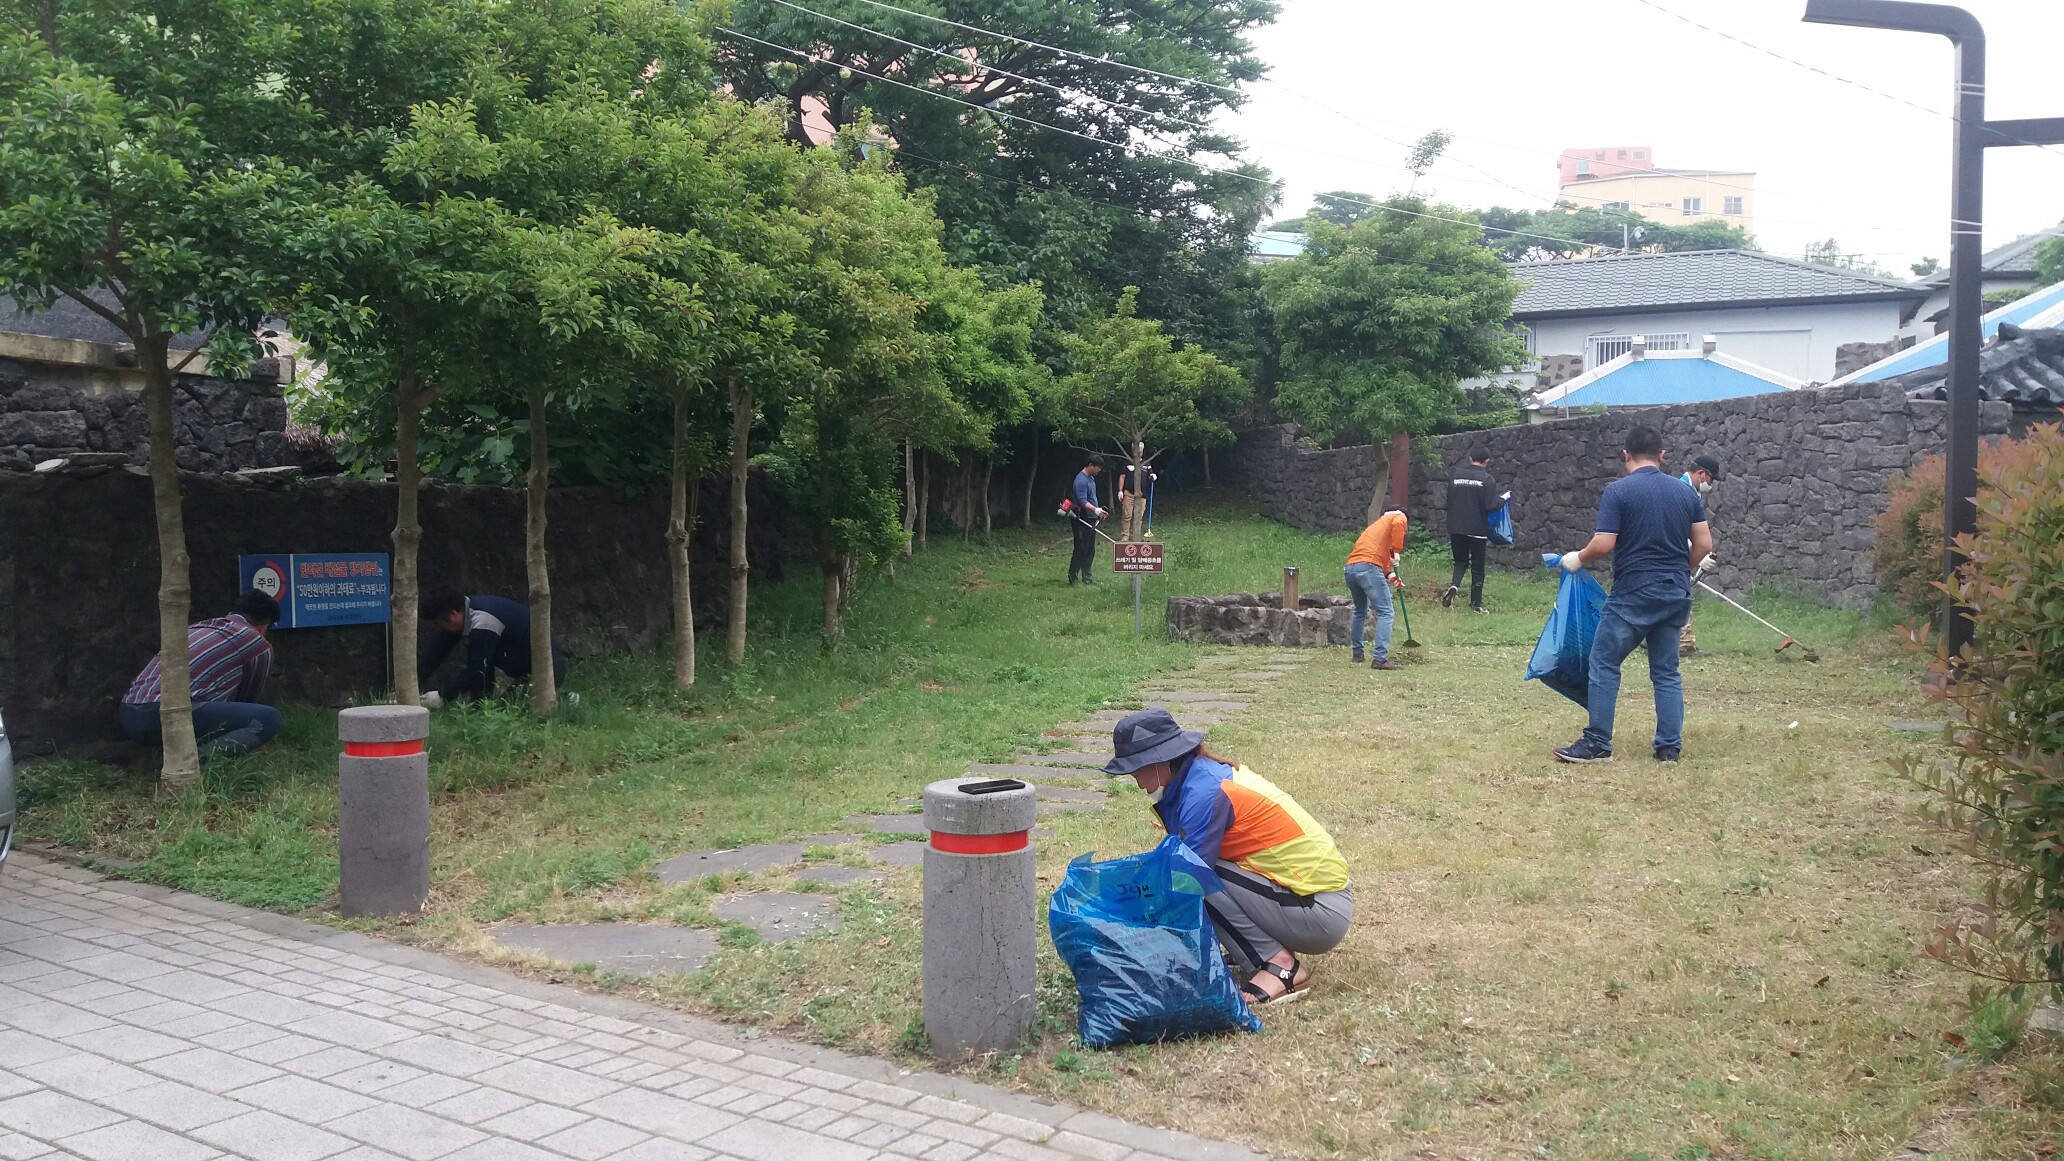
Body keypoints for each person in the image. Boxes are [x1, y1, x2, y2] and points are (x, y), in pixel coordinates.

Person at [1103, 708, 1352, 1006]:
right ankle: (1247, 946)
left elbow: (1184, 880)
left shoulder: (1205, 792)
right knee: (1188, 866)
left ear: (1161, 761)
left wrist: (1128, 929)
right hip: (1305, 899)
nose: (1136, 781)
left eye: (1137, 769)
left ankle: (1280, 966)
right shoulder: (1198, 777)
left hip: (1319, 911)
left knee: (1194, 874)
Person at [1551, 426, 1714, 764]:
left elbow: (1604, 543)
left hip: (1633, 594)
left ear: (1625, 454)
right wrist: (1680, 569)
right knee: (1666, 671)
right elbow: (1704, 545)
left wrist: (1577, 559)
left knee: (1604, 661)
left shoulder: (1618, 491)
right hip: (1674, 593)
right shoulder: (1687, 495)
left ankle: (1597, 742)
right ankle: (1668, 746)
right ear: (1662, 456)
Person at [119, 589, 282, 761]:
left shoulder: (197, 628)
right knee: (268, 719)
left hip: (128, 712)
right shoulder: (257, 642)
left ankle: (174, 757)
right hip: (163, 716)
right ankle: (195, 763)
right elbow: (249, 699)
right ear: (264, 626)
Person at [418, 592, 566, 707]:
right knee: (496, 708)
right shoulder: (465, 610)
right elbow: (436, 652)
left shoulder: (483, 622)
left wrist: (443, 696)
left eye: (440, 624)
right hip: (524, 667)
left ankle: (567, 700)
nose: (441, 630)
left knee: (515, 711)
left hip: (545, 671)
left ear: (453, 615)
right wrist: (410, 684)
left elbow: (477, 669)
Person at [1440, 447, 1505, 613]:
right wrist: (1503, 499)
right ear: (1486, 461)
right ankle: (1476, 604)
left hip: (1455, 526)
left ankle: (1454, 585)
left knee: (1460, 561)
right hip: (1477, 528)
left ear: (1469, 458)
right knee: (1477, 567)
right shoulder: (1487, 479)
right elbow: (1490, 506)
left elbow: (1449, 500)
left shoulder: (1455, 475)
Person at [1344, 506, 1408, 670]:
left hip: (1351, 569)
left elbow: (1379, 563)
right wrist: (1396, 551)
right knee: (1386, 612)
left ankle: (1357, 654)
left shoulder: (1376, 527)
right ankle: (1380, 659)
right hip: (1368, 567)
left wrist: (1392, 577)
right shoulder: (1398, 517)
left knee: (1360, 611)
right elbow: (1399, 524)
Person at [1676, 454, 1723, 655]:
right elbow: (1676, 530)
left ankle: (1677, 641)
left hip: (1679, 551)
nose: (1711, 485)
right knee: (1679, 595)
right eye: (1711, 479)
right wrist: (1696, 553)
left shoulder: (1690, 492)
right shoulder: (1681, 492)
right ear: (1702, 474)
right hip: (1672, 552)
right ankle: (1682, 643)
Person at [1067, 458, 1107, 585]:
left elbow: (1092, 498)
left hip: (1091, 518)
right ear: (1090, 465)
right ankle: (1073, 577)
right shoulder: (1080, 481)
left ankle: (1087, 578)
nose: (1099, 470)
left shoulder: (1091, 478)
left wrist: (1099, 512)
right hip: (1081, 518)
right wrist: (1095, 510)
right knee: (1081, 548)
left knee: (1090, 549)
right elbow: (1083, 501)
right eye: (1098, 467)